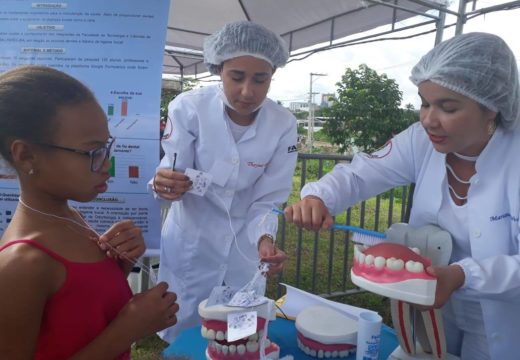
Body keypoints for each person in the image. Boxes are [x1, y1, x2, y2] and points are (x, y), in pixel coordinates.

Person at [283, 32, 520, 360]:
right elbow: (361, 173)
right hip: (428, 305)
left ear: (491, 107)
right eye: (424, 103)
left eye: (447, 107)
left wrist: (463, 276)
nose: (428, 119)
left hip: (503, 312)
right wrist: (319, 197)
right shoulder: (420, 142)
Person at [0, 65, 179, 359]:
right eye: (92, 152)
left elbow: (78, 312)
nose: (107, 165)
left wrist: (119, 265)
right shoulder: (22, 264)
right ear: (26, 155)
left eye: (107, 148)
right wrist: (127, 329)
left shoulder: (69, 217)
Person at [151, 21, 298, 342]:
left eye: (261, 79)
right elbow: (172, 171)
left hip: (243, 252)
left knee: (237, 336)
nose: (248, 91)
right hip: (193, 242)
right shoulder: (189, 108)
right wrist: (165, 184)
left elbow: (268, 198)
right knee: (184, 335)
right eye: (237, 77)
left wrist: (264, 240)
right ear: (219, 69)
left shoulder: (282, 124)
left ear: (273, 75)